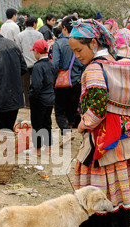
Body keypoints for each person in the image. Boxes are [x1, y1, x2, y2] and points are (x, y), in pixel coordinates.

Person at [69, 18, 130, 227]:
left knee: (95, 188)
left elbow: (99, 108)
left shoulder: (93, 69)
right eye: (73, 51)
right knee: (117, 188)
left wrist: (83, 124)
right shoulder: (115, 62)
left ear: (93, 43)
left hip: (102, 143)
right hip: (124, 140)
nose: (77, 56)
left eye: (79, 50)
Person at [52, 15, 83, 146]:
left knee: (59, 110)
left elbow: (55, 64)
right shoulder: (80, 42)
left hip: (61, 83)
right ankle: (68, 132)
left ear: (64, 27)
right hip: (76, 81)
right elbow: (83, 62)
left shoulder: (58, 43)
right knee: (71, 109)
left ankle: (66, 133)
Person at [28, 38, 56, 156]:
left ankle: (37, 149)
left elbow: (36, 85)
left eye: (34, 51)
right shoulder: (52, 64)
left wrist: (31, 98)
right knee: (47, 123)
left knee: (37, 124)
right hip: (50, 98)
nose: (33, 54)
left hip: (39, 99)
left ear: (38, 52)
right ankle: (48, 149)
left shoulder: (38, 67)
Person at [16, 16, 42, 108]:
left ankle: (28, 103)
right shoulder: (39, 34)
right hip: (37, 63)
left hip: (25, 63)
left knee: (25, 85)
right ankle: (36, 101)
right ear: (34, 23)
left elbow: (18, 50)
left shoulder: (20, 35)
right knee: (37, 84)